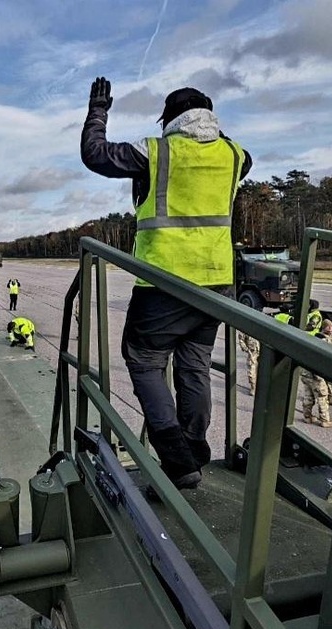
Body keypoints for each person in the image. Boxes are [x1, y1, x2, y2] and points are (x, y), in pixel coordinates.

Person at [81, 77, 252, 491]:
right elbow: (230, 148)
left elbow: (95, 155)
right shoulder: (236, 155)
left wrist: (98, 111)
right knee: (194, 365)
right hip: (216, 285)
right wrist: (211, 123)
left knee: (142, 360)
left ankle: (176, 456)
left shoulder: (156, 150)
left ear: (168, 120)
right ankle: (194, 448)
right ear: (210, 117)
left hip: (163, 281)